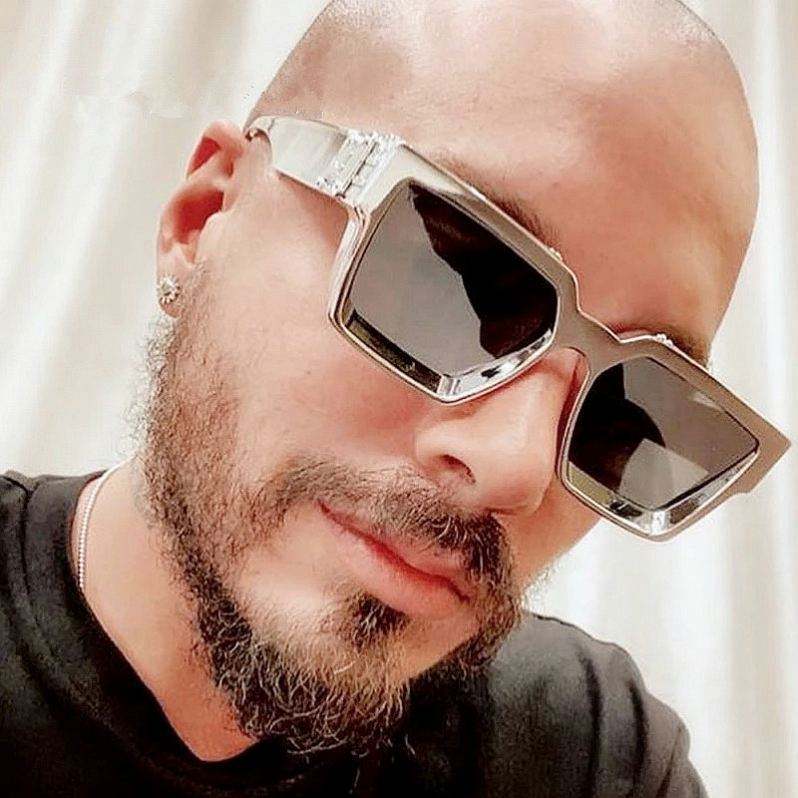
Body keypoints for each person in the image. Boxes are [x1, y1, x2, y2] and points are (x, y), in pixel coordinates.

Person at [1, 0, 790, 795]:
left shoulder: (587, 754)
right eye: (448, 281)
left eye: (625, 410)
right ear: (205, 219)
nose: (516, 468)